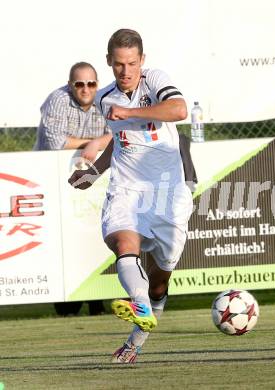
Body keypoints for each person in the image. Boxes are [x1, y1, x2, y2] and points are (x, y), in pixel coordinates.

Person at [68, 29, 193, 363]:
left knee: (160, 282)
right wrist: (94, 172)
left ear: (142, 61)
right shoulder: (105, 97)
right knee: (123, 244)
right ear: (109, 61)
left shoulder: (154, 80)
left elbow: (179, 110)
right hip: (126, 187)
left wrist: (133, 113)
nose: (126, 71)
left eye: (132, 63)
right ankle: (139, 307)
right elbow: (120, 140)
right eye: (119, 64)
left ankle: (137, 337)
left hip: (167, 193)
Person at [34, 61, 112, 316]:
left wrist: (99, 141)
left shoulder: (105, 99)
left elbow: (120, 133)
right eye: (80, 84)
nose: (86, 89)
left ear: (97, 84)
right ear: (71, 85)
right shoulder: (58, 99)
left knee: (93, 233)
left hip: (92, 177)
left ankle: (97, 301)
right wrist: (92, 143)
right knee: (62, 238)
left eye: (91, 83)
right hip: (53, 178)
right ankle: (66, 303)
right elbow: (56, 142)